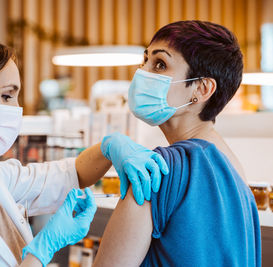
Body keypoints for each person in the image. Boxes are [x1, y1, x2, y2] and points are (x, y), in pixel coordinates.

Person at [0, 30, 169, 267]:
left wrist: (111, 146)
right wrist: (42, 250)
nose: (16, 110)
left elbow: (66, 174)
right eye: (6, 95)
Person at [93, 20, 261, 266]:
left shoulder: (158, 170)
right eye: (145, 60)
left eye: (160, 64)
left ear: (202, 89)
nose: (142, 73)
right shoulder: (234, 168)